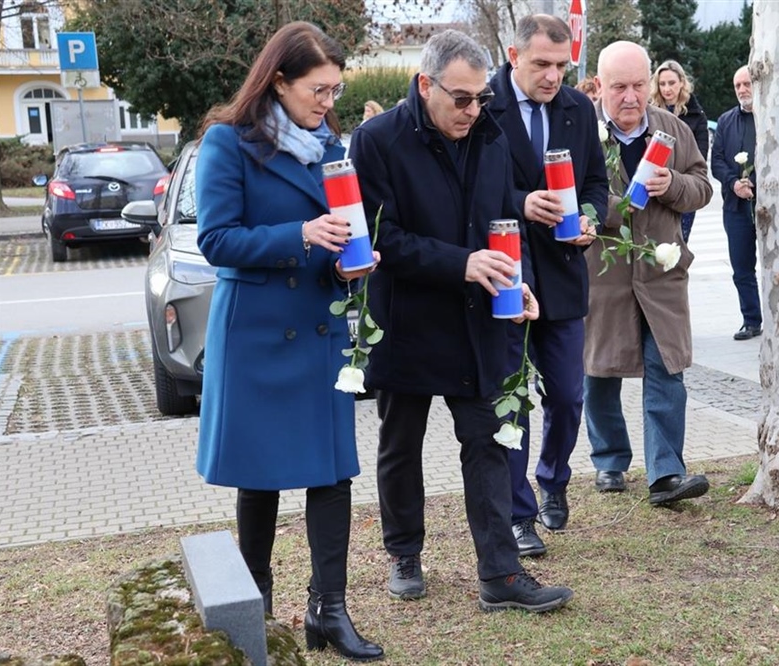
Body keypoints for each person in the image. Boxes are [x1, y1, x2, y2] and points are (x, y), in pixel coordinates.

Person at [348, 29, 574, 613]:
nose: (473, 110)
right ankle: (404, 551)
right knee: (402, 444)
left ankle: (500, 575)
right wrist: (462, 263)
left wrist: (515, 280)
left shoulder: (490, 134)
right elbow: (381, 238)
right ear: (426, 86)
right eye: (462, 99)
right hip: (406, 323)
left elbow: (504, 223)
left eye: (481, 99)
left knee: (488, 444)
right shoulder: (377, 140)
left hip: (479, 324)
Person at [194, 22, 383, 660]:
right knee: (263, 477)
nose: (330, 102)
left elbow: (341, 231)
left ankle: (329, 610)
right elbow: (216, 240)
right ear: (278, 80)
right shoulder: (228, 142)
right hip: (257, 337)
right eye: (318, 89)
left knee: (333, 472)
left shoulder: (331, 145)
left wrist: (350, 260)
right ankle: (258, 606)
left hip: (321, 328)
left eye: (335, 89)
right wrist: (301, 235)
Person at [487, 14, 608, 557]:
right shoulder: (483, 104)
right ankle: (519, 515)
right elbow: (468, 189)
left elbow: (598, 184)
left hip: (562, 272)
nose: (553, 76)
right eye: (541, 64)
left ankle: (554, 479)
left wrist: (588, 218)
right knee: (512, 398)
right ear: (515, 56)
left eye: (562, 66)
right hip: (508, 271)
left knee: (566, 393)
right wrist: (519, 203)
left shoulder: (579, 109)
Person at [583, 40, 712, 505]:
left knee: (666, 369)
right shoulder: (581, 133)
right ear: (600, 87)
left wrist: (673, 184)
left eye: (640, 85)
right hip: (604, 275)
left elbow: (703, 187)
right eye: (619, 87)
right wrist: (619, 208)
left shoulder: (673, 130)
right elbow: (568, 197)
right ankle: (610, 461)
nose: (632, 97)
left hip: (661, 275)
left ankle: (665, 474)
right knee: (599, 371)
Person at [711, 65, 761, 341]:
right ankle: (751, 320)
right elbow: (716, 160)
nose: (742, 89)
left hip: (769, 204)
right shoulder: (726, 121)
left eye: (747, 84)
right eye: (738, 85)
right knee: (741, 267)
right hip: (736, 206)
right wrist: (734, 183)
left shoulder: (769, 117)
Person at [649, 60, 709, 242]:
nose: (667, 89)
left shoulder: (696, 114)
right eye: (662, 83)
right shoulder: (649, 112)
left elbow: (700, 157)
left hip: (683, 187)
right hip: (654, 185)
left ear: (682, 82)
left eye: (671, 83)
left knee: (679, 245)